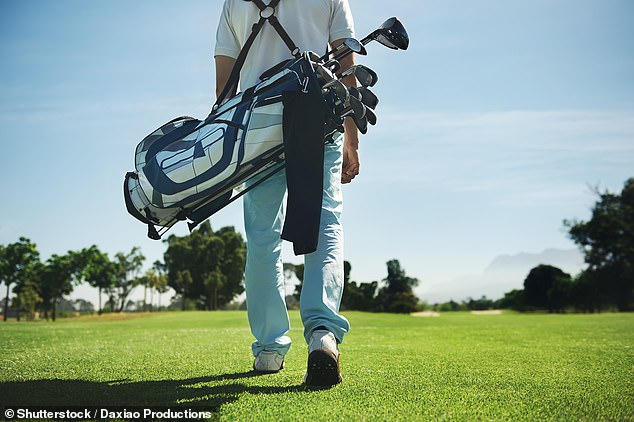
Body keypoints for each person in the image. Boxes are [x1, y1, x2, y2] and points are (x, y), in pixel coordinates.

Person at [214, 0, 359, 386]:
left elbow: (224, 87)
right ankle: (323, 336)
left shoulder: (235, 2)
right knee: (325, 221)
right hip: (317, 115)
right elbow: (346, 66)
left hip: (254, 126)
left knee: (262, 236)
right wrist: (352, 139)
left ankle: (268, 348)